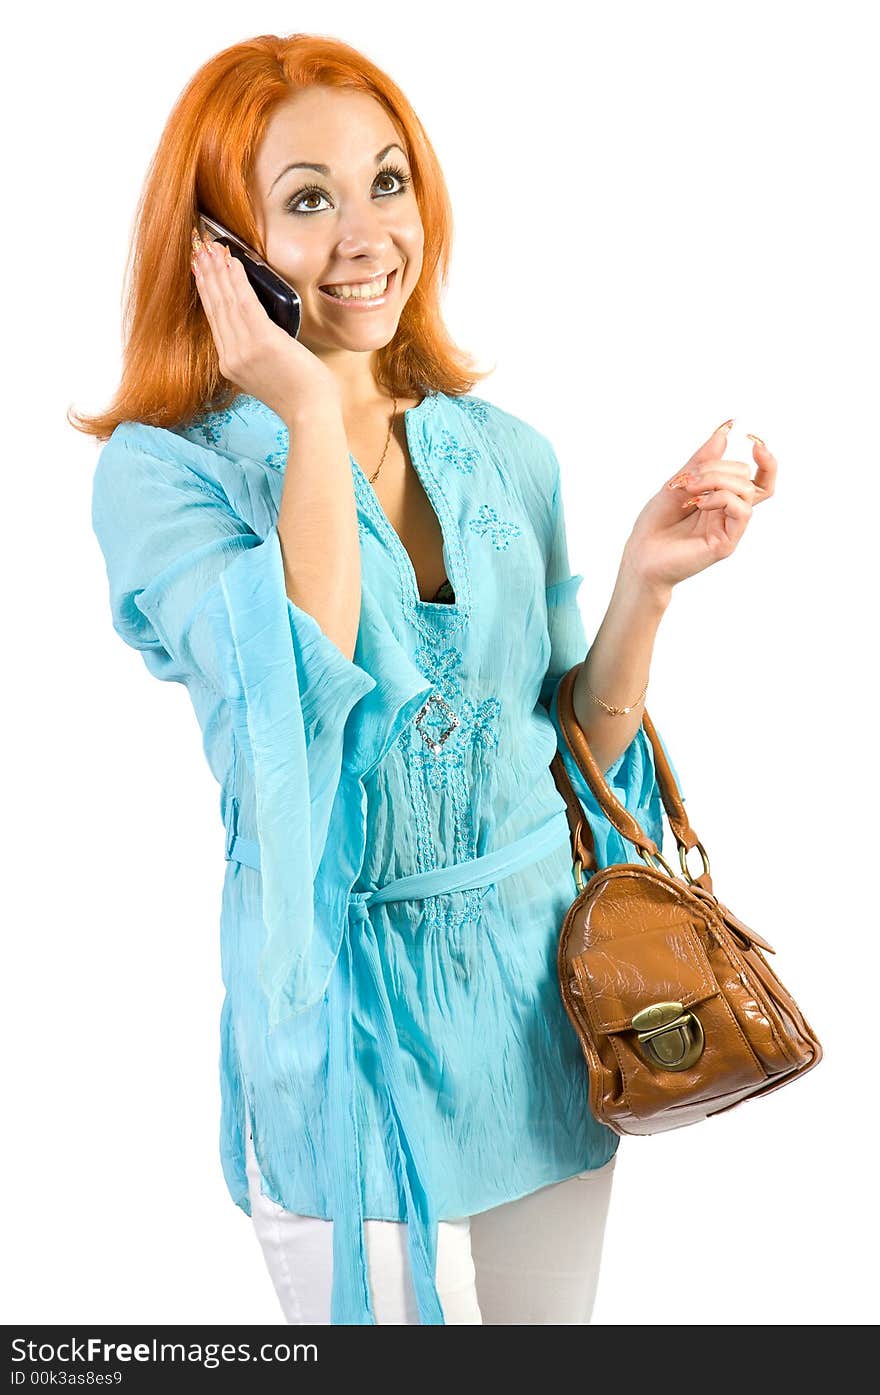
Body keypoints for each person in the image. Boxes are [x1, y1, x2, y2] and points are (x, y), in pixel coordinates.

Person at [73, 32, 776, 1325]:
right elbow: (299, 696)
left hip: (540, 1032)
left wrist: (648, 581)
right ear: (218, 247)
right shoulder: (164, 476)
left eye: (385, 181)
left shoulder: (509, 454)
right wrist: (301, 410)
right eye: (306, 200)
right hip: (349, 1042)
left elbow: (569, 746)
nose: (364, 235)